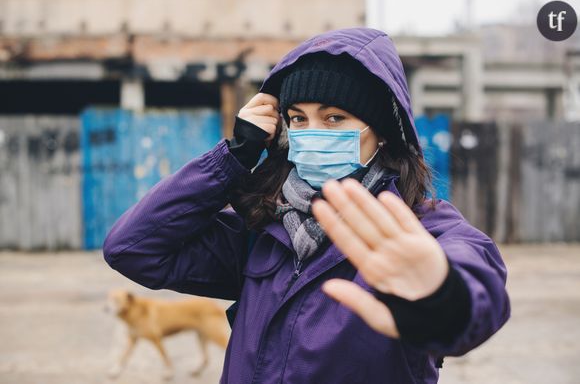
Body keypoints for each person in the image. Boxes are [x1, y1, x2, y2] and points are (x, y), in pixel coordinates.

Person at [103, 27, 510, 384]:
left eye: (334, 118)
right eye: (298, 119)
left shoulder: (418, 228)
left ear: (382, 134)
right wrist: (234, 157)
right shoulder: (264, 229)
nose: (313, 132)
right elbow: (132, 248)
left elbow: (477, 288)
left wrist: (440, 296)